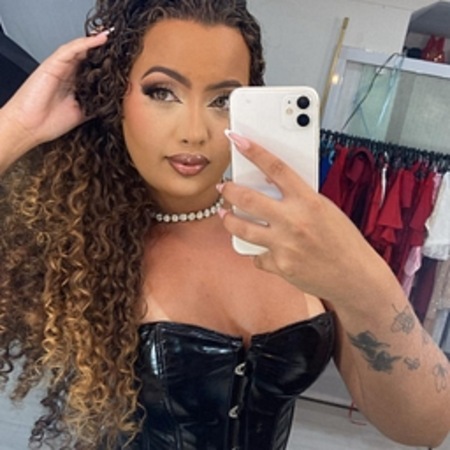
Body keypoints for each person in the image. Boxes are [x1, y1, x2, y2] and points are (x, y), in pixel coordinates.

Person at [0, 0, 449, 449]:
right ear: (115, 95)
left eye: (223, 100)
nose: (195, 132)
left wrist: (360, 276)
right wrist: (17, 126)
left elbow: (425, 426)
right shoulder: (72, 237)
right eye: (162, 92)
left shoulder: (296, 237)